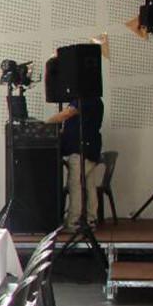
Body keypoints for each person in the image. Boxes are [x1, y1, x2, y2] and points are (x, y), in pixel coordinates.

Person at [47, 95, 105, 227]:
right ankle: (91, 218)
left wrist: (46, 123)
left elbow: (67, 113)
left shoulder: (83, 99)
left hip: (81, 150)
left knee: (75, 184)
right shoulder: (96, 99)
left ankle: (73, 221)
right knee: (89, 185)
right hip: (91, 148)